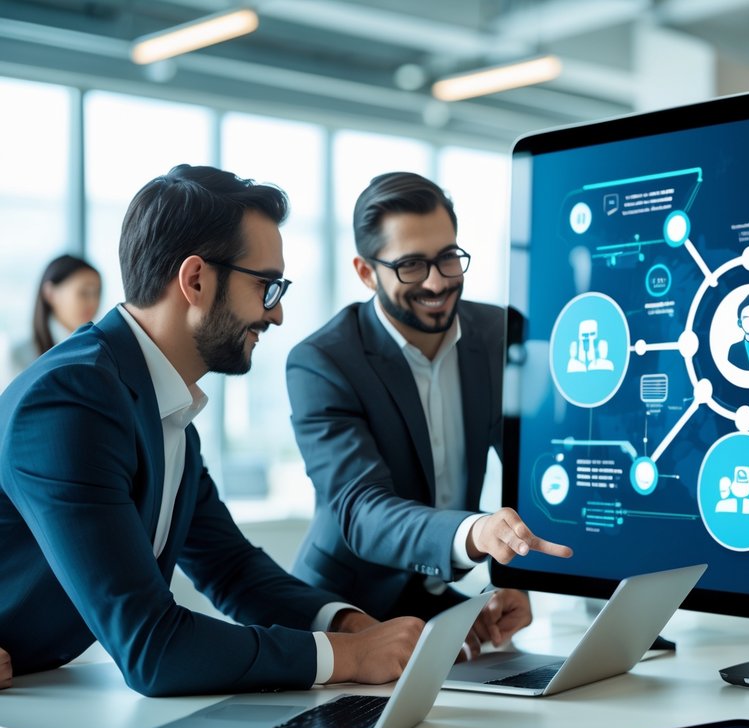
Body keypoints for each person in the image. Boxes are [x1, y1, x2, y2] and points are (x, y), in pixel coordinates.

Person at [0, 164, 426, 697]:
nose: (278, 315)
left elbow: (230, 569)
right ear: (196, 280)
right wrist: (346, 658)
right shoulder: (71, 399)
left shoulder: (160, 408)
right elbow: (153, 649)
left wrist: (348, 626)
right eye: (268, 287)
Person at [286, 172, 571, 654]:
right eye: (412, 266)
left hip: (438, 603)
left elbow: (539, 472)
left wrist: (511, 575)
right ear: (365, 271)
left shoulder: (499, 333)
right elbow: (363, 510)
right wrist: (476, 533)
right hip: (343, 612)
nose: (437, 282)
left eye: (447, 258)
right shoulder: (323, 362)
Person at [1, 255, 102, 388]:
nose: (92, 302)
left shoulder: (98, 349)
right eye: (84, 293)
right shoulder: (19, 353)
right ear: (50, 294)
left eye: (97, 293)